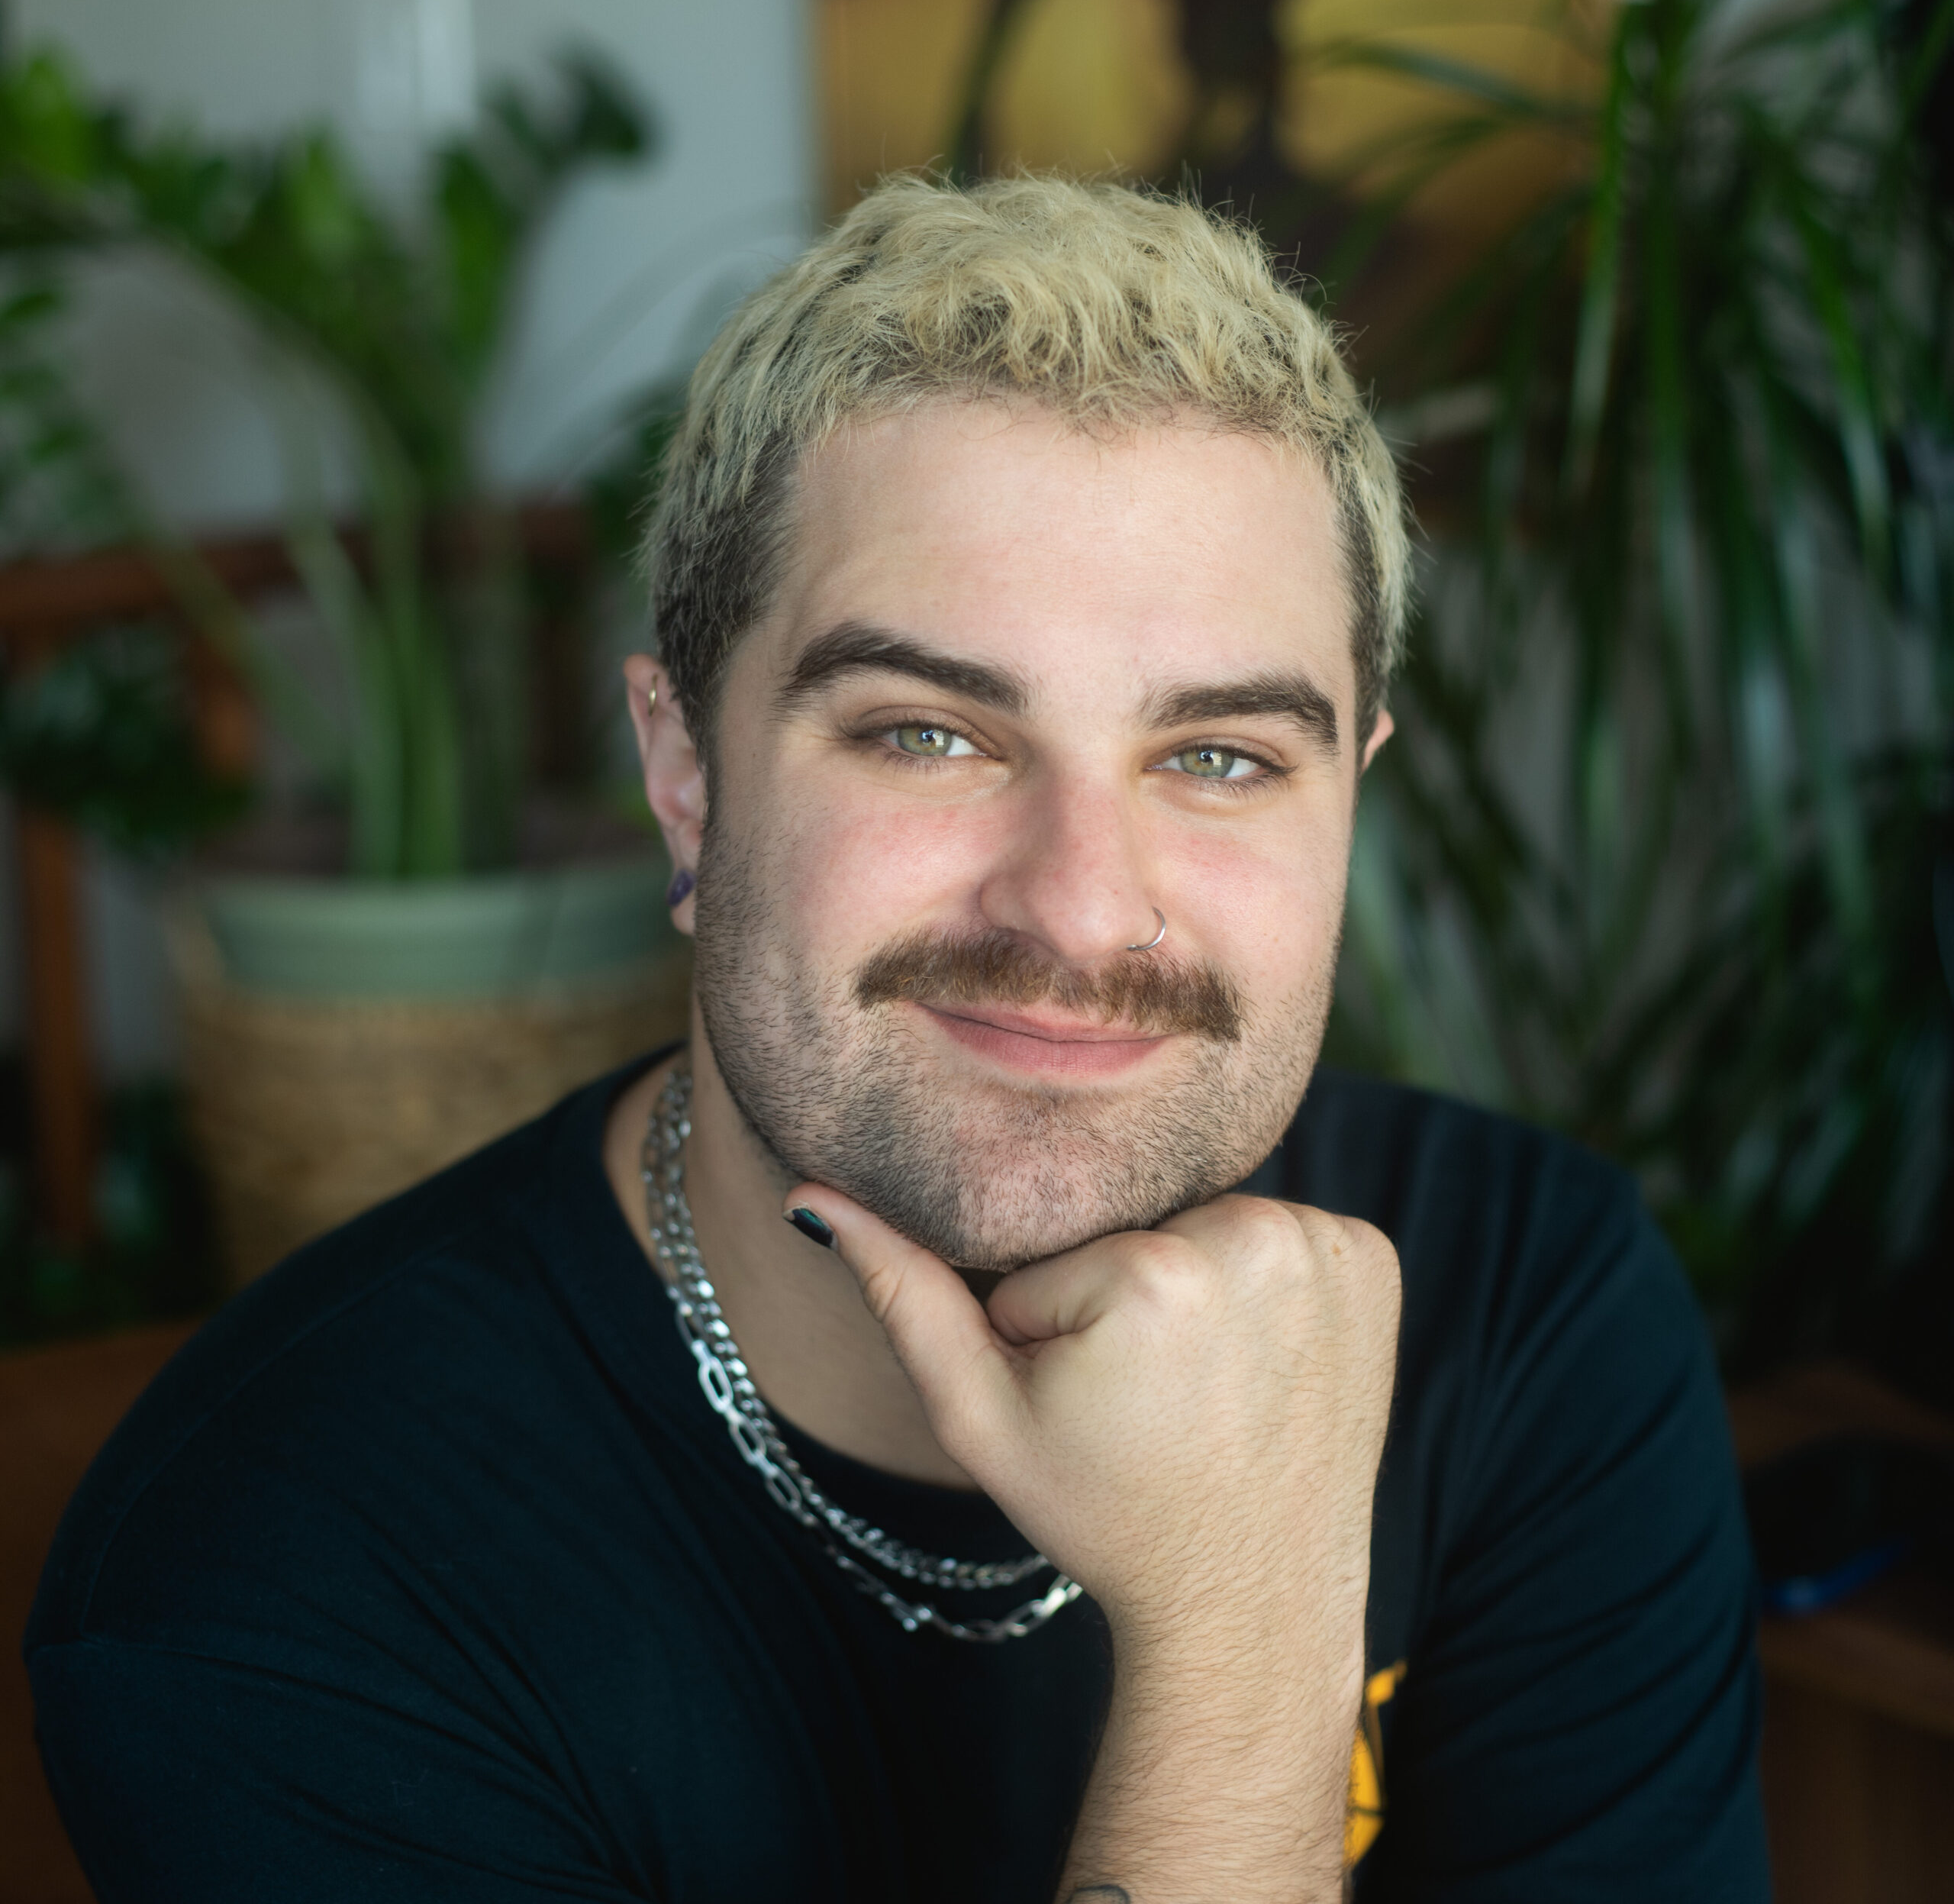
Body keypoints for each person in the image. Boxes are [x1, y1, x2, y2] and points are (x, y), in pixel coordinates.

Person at [27, 175, 1768, 1902]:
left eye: (1220, 755)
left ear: (1348, 800)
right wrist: (1238, 1652)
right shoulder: (280, 1570)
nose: (1083, 909)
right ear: (684, 774)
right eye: (927, 733)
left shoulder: (1528, 1304)